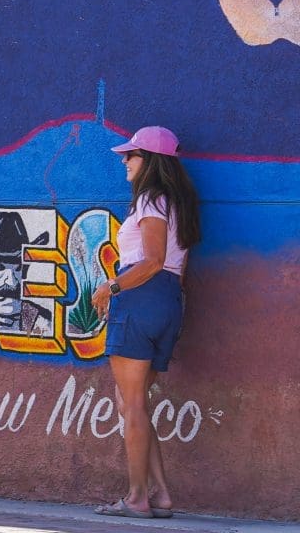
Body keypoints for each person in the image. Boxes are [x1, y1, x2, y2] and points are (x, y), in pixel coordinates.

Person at [91, 126, 201, 518]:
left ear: (150, 162)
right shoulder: (179, 205)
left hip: (140, 300)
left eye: (132, 155)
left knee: (132, 403)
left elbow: (152, 261)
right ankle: (160, 492)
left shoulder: (152, 202)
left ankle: (137, 498)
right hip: (168, 303)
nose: (125, 161)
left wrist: (112, 286)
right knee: (130, 402)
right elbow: (178, 269)